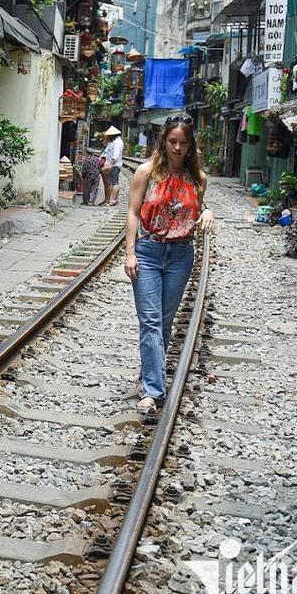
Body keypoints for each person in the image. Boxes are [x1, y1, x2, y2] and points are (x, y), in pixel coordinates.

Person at [125, 115, 215, 413]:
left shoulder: (198, 178)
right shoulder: (146, 172)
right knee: (150, 322)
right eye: (172, 141)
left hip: (180, 255)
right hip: (148, 252)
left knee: (163, 322)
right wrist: (130, 253)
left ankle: (148, 376)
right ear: (164, 140)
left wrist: (208, 213)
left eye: (183, 142)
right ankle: (153, 390)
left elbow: (196, 209)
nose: (177, 147)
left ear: (190, 146)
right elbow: (133, 213)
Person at [99, 126, 125, 206]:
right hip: (112, 164)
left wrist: (110, 164)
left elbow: (115, 155)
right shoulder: (114, 142)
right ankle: (112, 199)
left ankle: (114, 199)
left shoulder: (117, 142)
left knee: (114, 182)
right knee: (111, 182)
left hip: (114, 165)